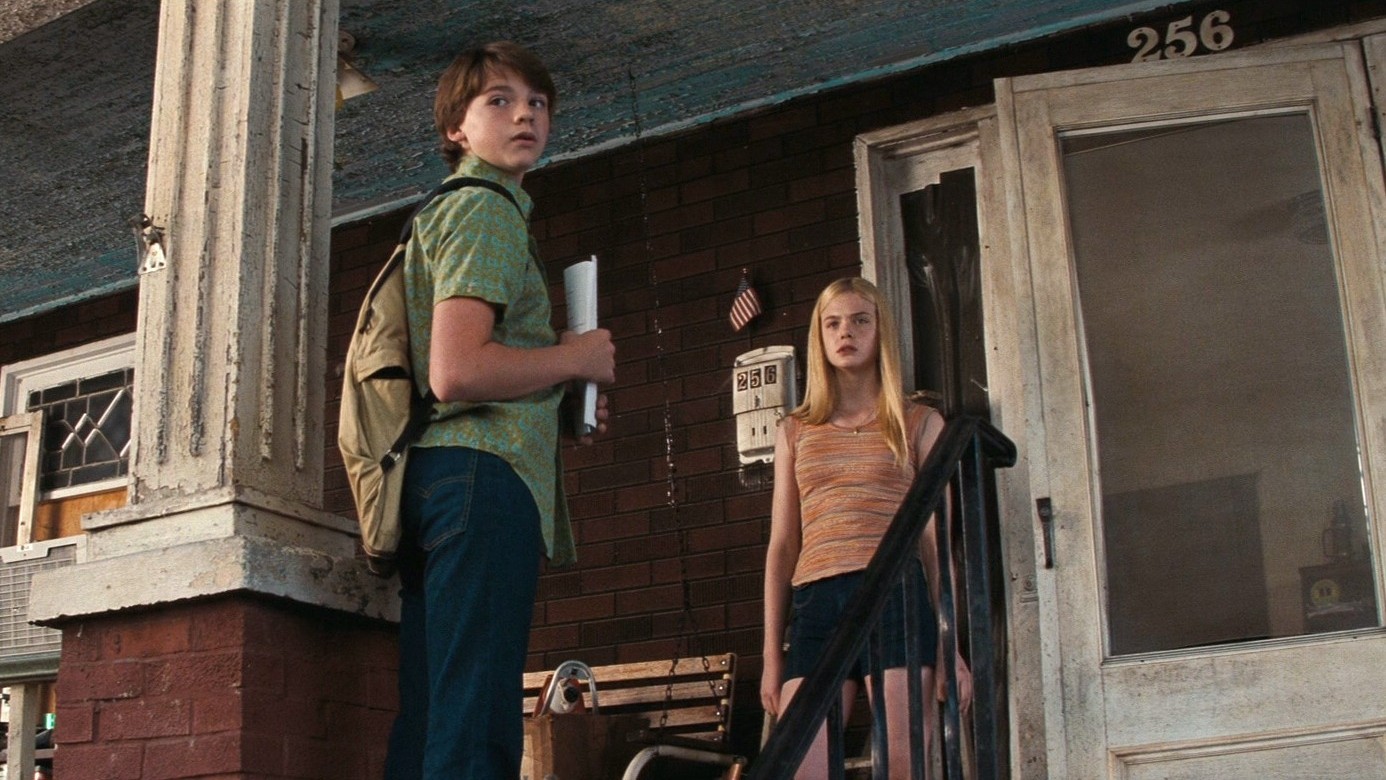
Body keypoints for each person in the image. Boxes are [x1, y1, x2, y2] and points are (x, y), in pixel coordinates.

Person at [382, 41, 616, 779]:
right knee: (476, 724)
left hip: (441, 481)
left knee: (434, 717)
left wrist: (554, 397)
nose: (525, 115)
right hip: (482, 483)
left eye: (537, 102)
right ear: (456, 128)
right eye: (499, 100)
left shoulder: (451, 212)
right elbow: (457, 371)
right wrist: (574, 359)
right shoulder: (487, 212)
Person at [760, 277, 972, 779]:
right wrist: (771, 655)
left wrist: (951, 645)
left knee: (902, 764)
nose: (845, 333)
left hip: (894, 596)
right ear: (819, 336)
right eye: (832, 323)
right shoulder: (796, 430)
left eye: (860, 320)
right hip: (816, 601)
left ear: (881, 331)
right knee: (804, 766)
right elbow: (783, 544)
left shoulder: (919, 422)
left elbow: (935, 544)